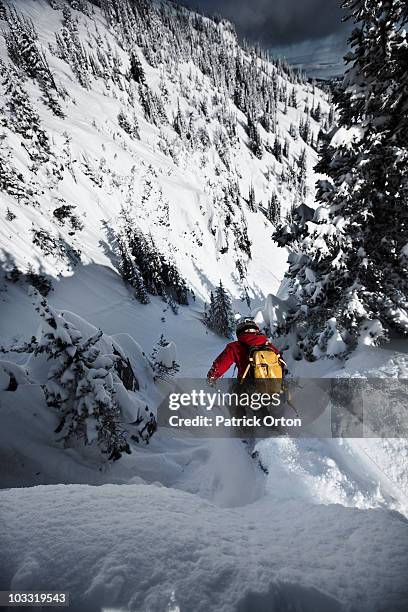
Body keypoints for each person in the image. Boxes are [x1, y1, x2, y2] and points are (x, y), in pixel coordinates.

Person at [206, 318, 281, 386]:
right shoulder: (269, 346)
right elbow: (281, 363)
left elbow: (221, 364)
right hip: (273, 388)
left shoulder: (235, 346)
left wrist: (212, 376)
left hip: (248, 390)